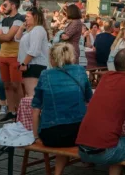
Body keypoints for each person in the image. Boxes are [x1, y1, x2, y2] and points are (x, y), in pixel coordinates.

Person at [32, 43, 92, 175]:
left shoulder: (45, 75)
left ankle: (58, 172)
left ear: (52, 58)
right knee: (76, 129)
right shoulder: (80, 71)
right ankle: (87, 159)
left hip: (51, 135)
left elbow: (36, 108)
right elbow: (90, 100)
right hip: (78, 135)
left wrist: (36, 136)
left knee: (62, 134)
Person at [0, 0, 25, 123]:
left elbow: (6, 38)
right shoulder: (4, 20)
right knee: (6, 85)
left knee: (16, 85)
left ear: (13, 5)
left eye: (5, 5)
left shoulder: (19, 19)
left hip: (15, 57)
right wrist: (4, 37)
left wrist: (3, 37)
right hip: (3, 56)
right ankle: (11, 112)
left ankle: (21, 112)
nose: (3, 7)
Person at [16, 7, 50, 98]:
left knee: (31, 94)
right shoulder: (31, 31)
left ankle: (34, 112)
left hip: (34, 65)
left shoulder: (38, 29)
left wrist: (24, 63)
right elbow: (17, 39)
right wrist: (21, 28)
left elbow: (34, 50)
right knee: (31, 93)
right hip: (31, 64)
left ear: (35, 17)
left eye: (27, 16)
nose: (25, 18)